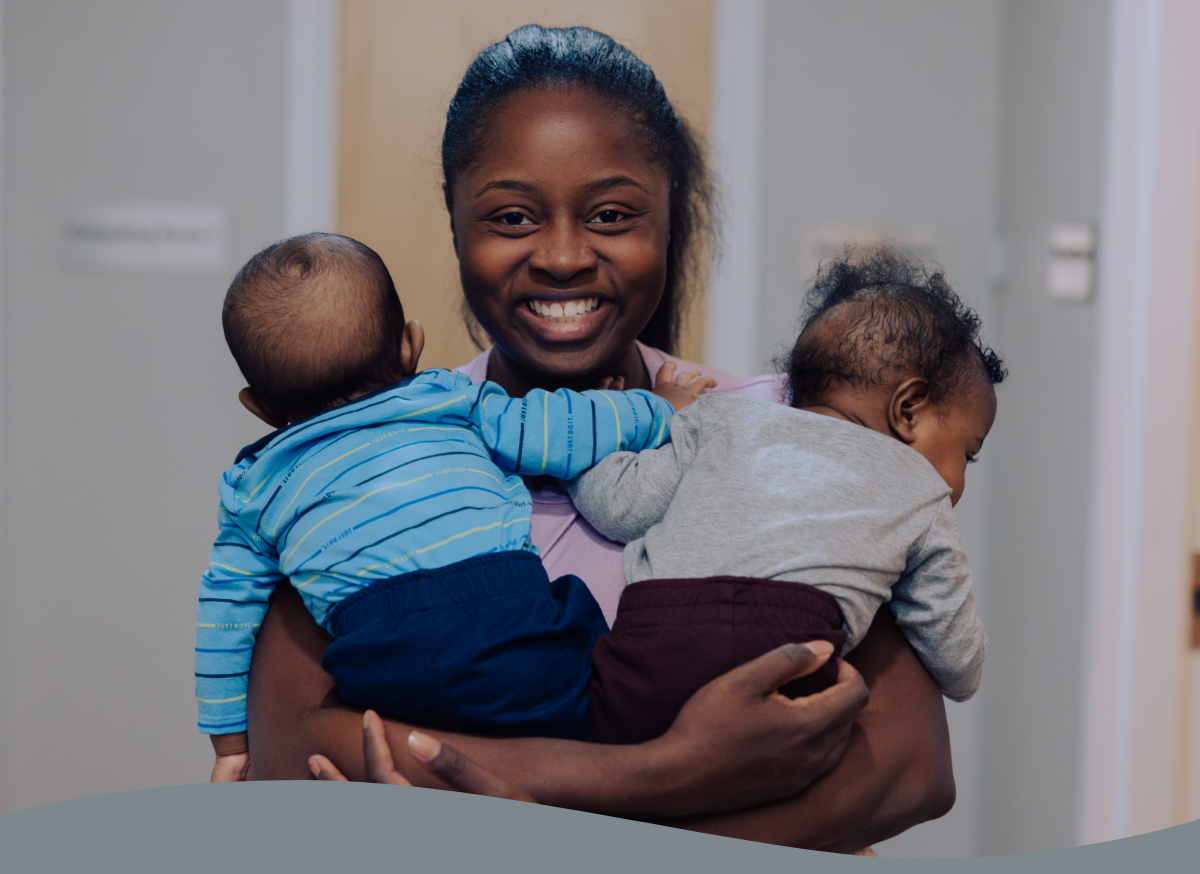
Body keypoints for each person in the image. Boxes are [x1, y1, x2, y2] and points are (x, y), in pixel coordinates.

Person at [244, 25, 954, 851]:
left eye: (612, 215)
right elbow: (291, 743)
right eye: (512, 216)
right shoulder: (387, 440)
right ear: (455, 223)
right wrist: (671, 770)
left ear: (666, 218)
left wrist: (499, 808)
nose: (562, 256)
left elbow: (910, 768)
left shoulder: (783, 432)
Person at [200, 232, 713, 780]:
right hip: (514, 626)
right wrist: (653, 409)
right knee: (597, 700)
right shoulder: (447, 400)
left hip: (383, 667)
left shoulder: (253, 489)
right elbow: (555, 429)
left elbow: (225, 615)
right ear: (410, 346)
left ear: (256, 406)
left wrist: (230, 743)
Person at [571, 248, 1003, 744]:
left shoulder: (720, 420)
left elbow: (620, 507)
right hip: (783, 665)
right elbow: (957, 663)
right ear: (908, 409)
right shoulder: (921, 491)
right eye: (967, 452)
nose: (959, 480)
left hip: (647, 646)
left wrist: (630, 418)